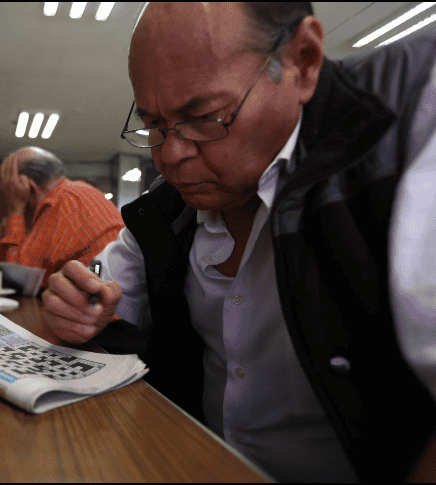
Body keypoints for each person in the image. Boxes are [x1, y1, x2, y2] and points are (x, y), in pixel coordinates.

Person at [41, 2, 436, 482]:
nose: (171, 155)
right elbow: (102, 282)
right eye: (153, 125)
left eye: (205, 116)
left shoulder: (413, 116)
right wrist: (76, 299)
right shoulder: (172, 207)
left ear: (302, 60)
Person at [0, 146, 124, 288]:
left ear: (28, 186)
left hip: (103, 303)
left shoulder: (60, 202)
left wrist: (15, 208)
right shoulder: (78, 192)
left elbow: (17, 280)